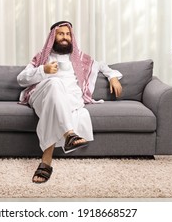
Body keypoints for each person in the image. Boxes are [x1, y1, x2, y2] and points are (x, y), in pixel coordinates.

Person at [17, 21, 123, 183]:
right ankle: (70, 134)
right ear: (53, 36)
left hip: (67, 102)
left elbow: (101, 65)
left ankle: (46, 162)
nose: (65, 37)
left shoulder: (79, 58)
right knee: (54, 83)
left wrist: (113, 76)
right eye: (61, 34)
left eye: (68, 34)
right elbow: (21, 79)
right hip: (41, 95)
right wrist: (42, 70)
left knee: (54, 104)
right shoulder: (41, 57)